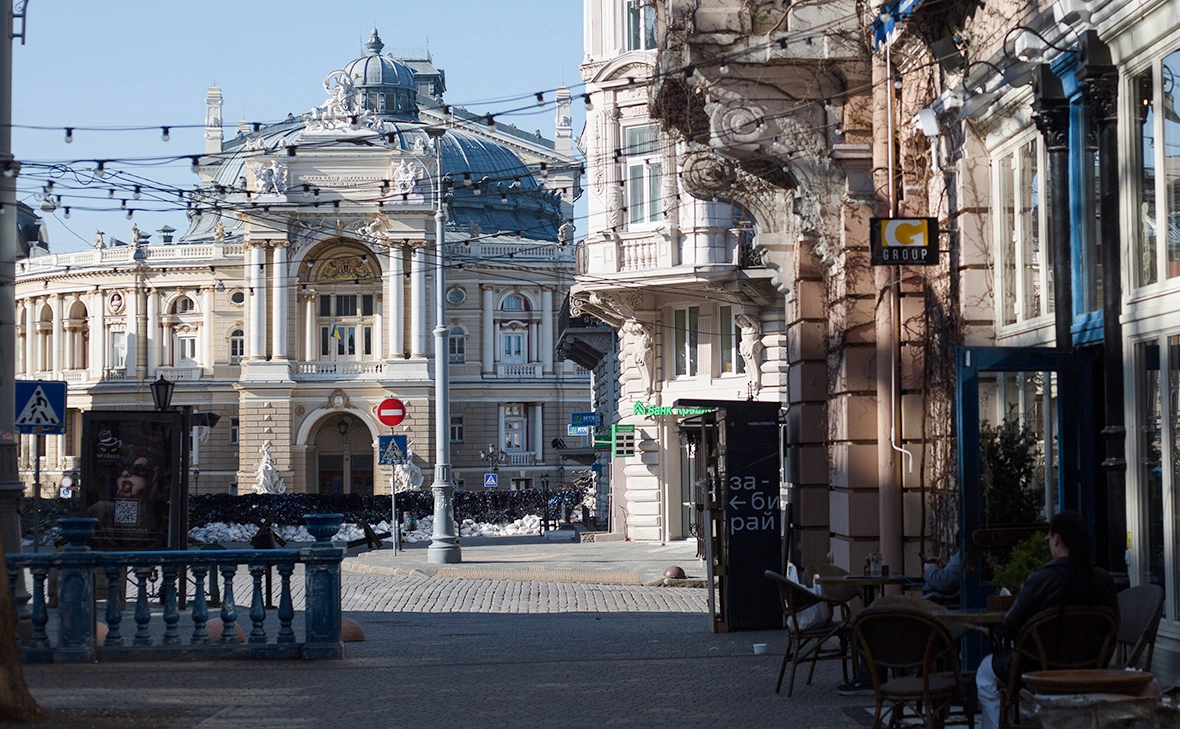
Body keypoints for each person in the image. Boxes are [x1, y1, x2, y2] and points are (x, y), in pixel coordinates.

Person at [975, 511, 1119, 729]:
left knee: (985, 673)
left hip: (1036, 670)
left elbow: (1009, 626)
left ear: (1056, 539)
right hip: (1091, 668)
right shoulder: (1104, 580)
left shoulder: (1041, 579)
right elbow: (1115, 624)